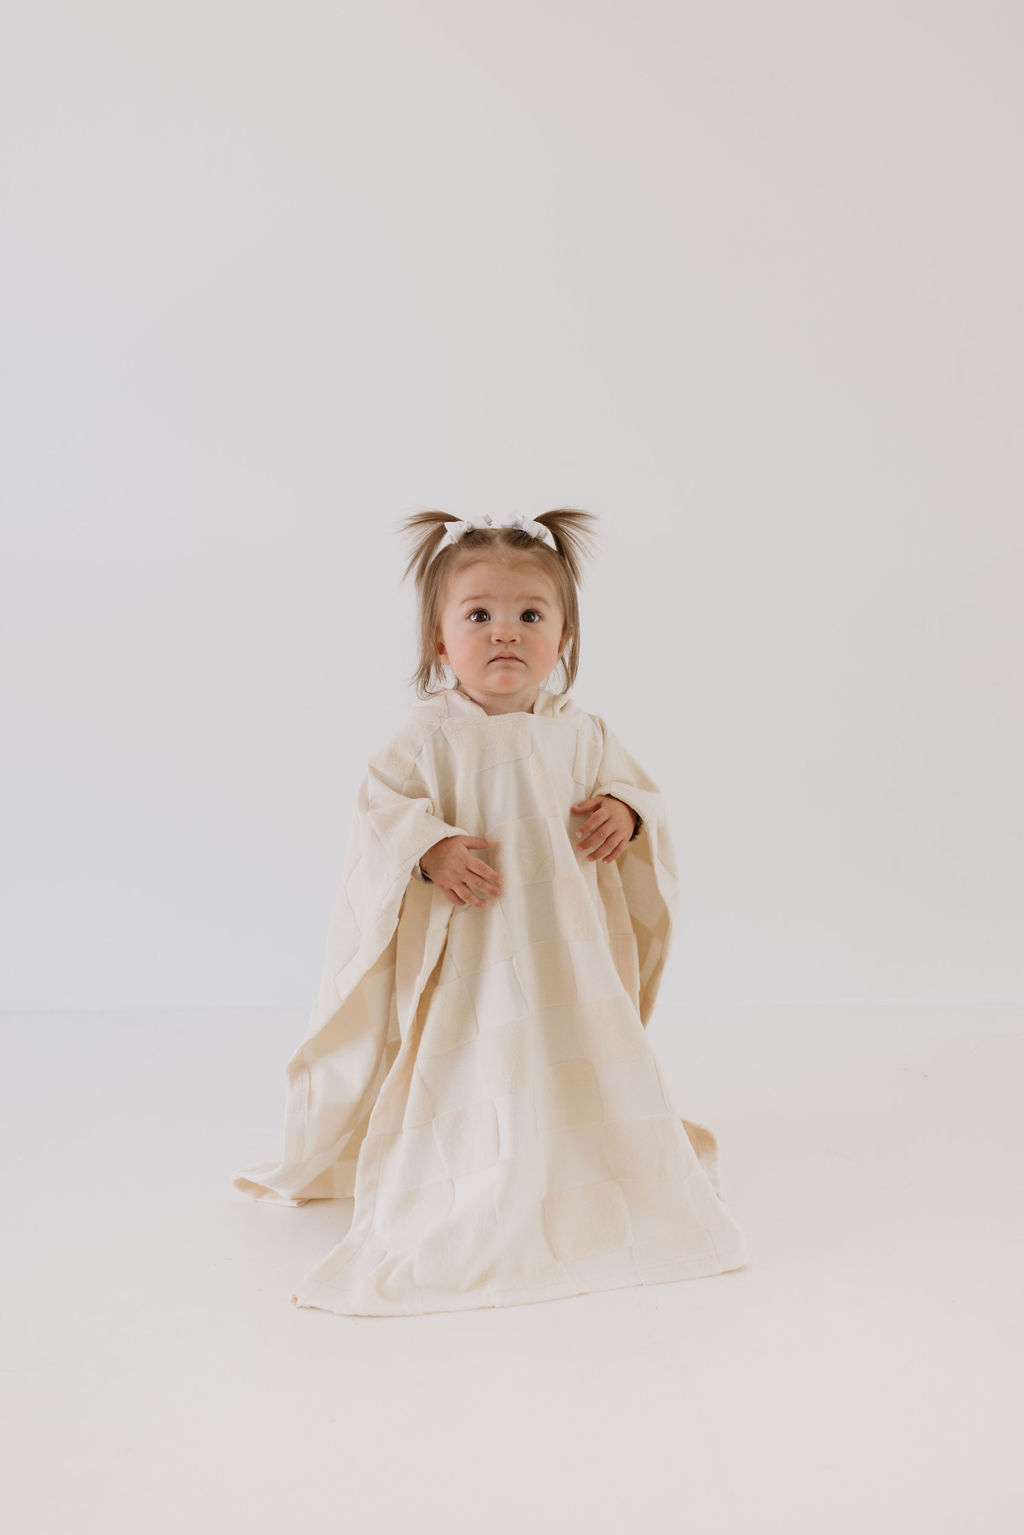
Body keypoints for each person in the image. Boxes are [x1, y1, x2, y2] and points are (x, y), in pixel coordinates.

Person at [232, 507, 749, 1316]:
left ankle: (583, 1153)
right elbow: (379, 813)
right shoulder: (428, 737)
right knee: (480, 1065)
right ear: (441, 641)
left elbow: (639, 790)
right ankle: (480, 1162)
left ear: (565, 636)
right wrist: (429, 845)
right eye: (479, 615)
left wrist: (626, 809)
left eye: (530, 615)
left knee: (573, 1058)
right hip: (474, 953)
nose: (504, 632)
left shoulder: (581, 733)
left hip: (565, 955)